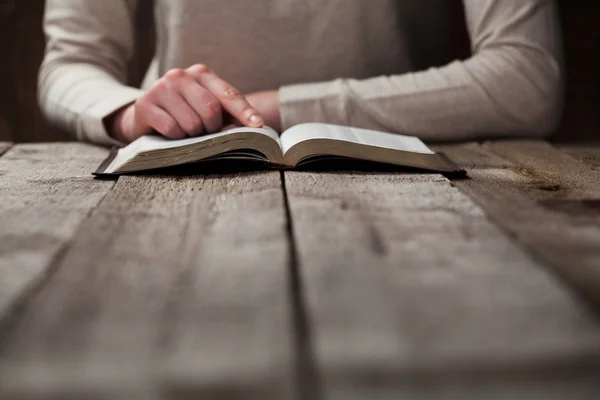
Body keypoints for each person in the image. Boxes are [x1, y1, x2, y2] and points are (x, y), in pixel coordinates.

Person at [39, 0, 563, 145]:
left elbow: (526, 74)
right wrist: (132, 113)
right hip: (169, 169)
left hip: (415, 175)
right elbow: (71, 63)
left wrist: (256, 110)